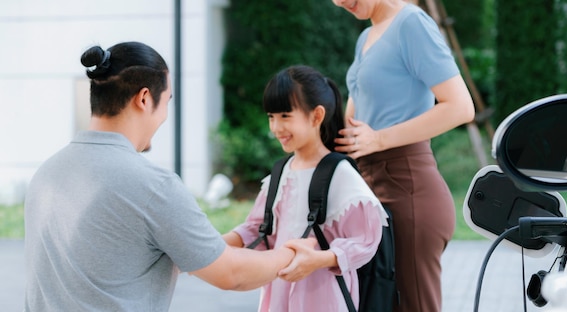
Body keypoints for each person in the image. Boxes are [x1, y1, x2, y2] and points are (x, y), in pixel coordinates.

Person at [23, 41, 307, 311]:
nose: (165, 115)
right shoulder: (152, 185)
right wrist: (293, 254)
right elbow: (232, 273)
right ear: (145, 99)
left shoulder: (46, 174)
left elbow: (117, 257)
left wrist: (230, 240)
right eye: (167, 101)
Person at [330, 1, 476, 311]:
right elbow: (355, 122)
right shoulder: (367, 36)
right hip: (370, 188)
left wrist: (379, 138)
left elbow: (461, 107)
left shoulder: (411, 23)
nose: (339, 1)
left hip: (408, 189)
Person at [222, 65, 388, 312]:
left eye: (285, 116)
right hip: (278, 292)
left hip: (323, 297)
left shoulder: (340, 174)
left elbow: (365, 240)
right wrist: (210, 246)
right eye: (271, 117)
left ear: (316, 116)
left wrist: (318, 260)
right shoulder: (280, 173)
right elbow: (256, 229)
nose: (276, 127)